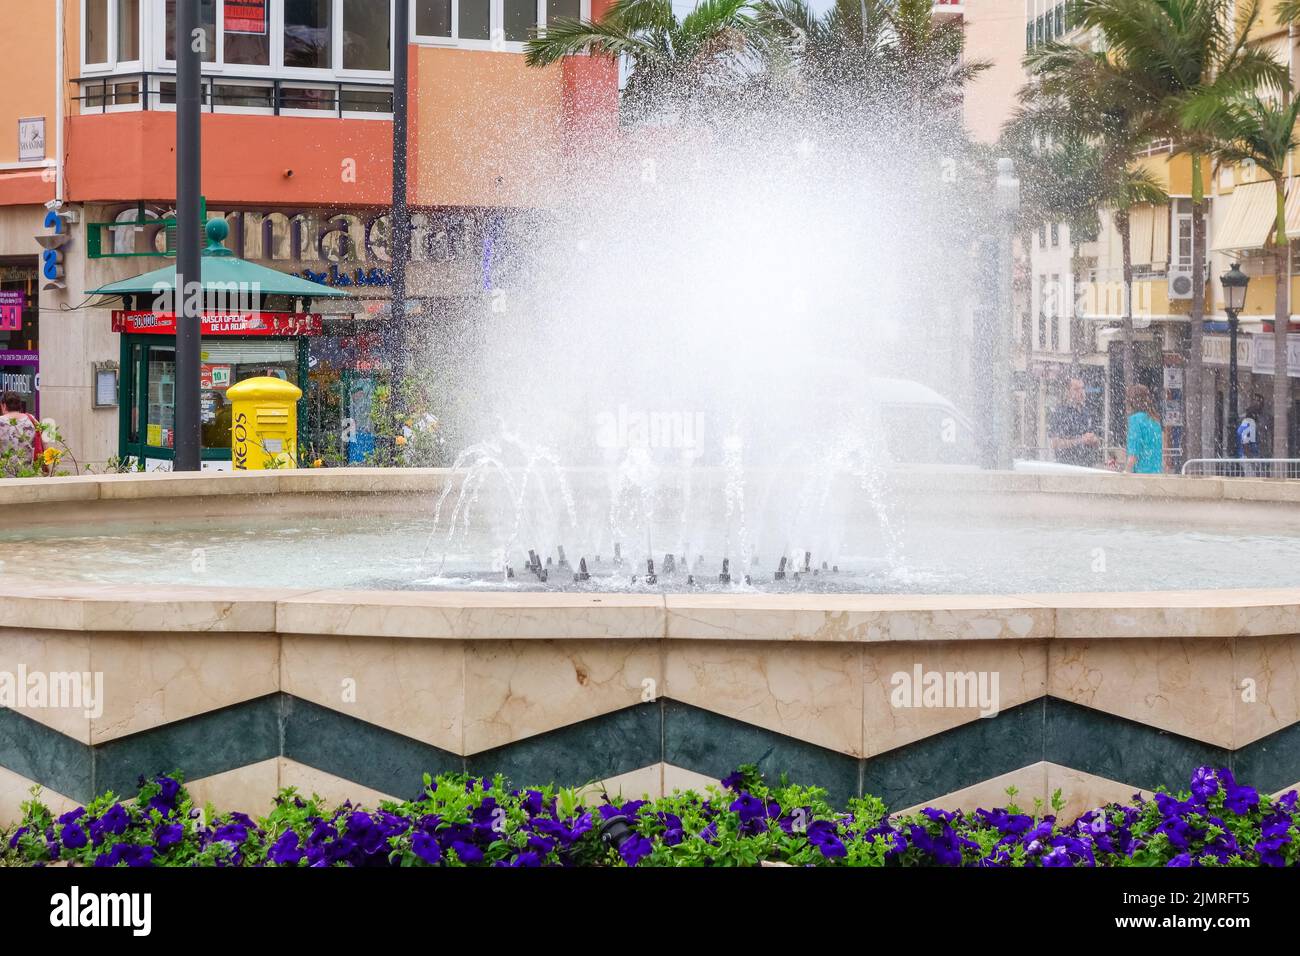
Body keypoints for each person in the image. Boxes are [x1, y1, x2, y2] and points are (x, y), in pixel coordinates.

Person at [1049, 377, 1102, 466]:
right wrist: (1080, 440)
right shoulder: (1060, 412)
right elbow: (1055, 443)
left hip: (1088, 466)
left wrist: (1094, 440)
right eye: (1076, 389)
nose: (1081, 392)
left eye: (1083, 388)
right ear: (1068, 392)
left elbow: (1098, 440)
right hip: (1068, 466)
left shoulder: (1089, 411)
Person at [1125, 384, 1164, 474]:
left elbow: (1133, 454)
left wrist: (1126, 471)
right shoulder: (1155, 420)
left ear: (1132, 401)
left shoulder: (1135, 419)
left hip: (1141, 475)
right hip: (1156, 474)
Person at [0, 391, 42, 474]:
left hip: (4, 475)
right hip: (26, 474)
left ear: (4, 405)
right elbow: (44, 443)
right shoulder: (31, 419)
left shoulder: (1, 421)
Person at [1236, 397, 1263, 477]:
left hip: (1243, 456)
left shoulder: (1243, 425)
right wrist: (1251, 459)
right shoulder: (1249, 426)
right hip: (1247, 457)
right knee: (1252, 477)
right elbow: (1245, 444)